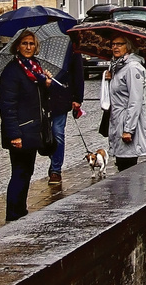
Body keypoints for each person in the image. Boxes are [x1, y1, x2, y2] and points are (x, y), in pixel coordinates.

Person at [0, 29, 56, 220]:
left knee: (26, 172)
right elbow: (8, 107)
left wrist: (46, 84)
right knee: (19, 173)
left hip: (32, 130)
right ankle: (13, 215)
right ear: (17, 46)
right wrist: (14, 135)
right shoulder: (12, 72)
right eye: (24, 44)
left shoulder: (35, 68)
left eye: (31, 44)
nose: (28, 47)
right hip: (20, 131)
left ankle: (20, 211)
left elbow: (41, 100)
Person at [105, 34, 146, 171]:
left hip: (127, 123)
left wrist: (128, 130)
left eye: (119, 44)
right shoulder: (117, 66)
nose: (115, 47)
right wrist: (109, 79)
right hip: (118, 121)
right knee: (122, 164)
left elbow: (136, 100)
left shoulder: (132, 68)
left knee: (129, 166)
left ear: (128, 47)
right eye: (113, 44)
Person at [46, 40, 85, 186]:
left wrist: (77, 98)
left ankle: (56, 170)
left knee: (57, 132)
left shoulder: (71, 45)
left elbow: (78, 72)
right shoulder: (39, 45)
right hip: (42, 98)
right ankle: (53, 159)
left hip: (61, 98)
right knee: (45, 134)